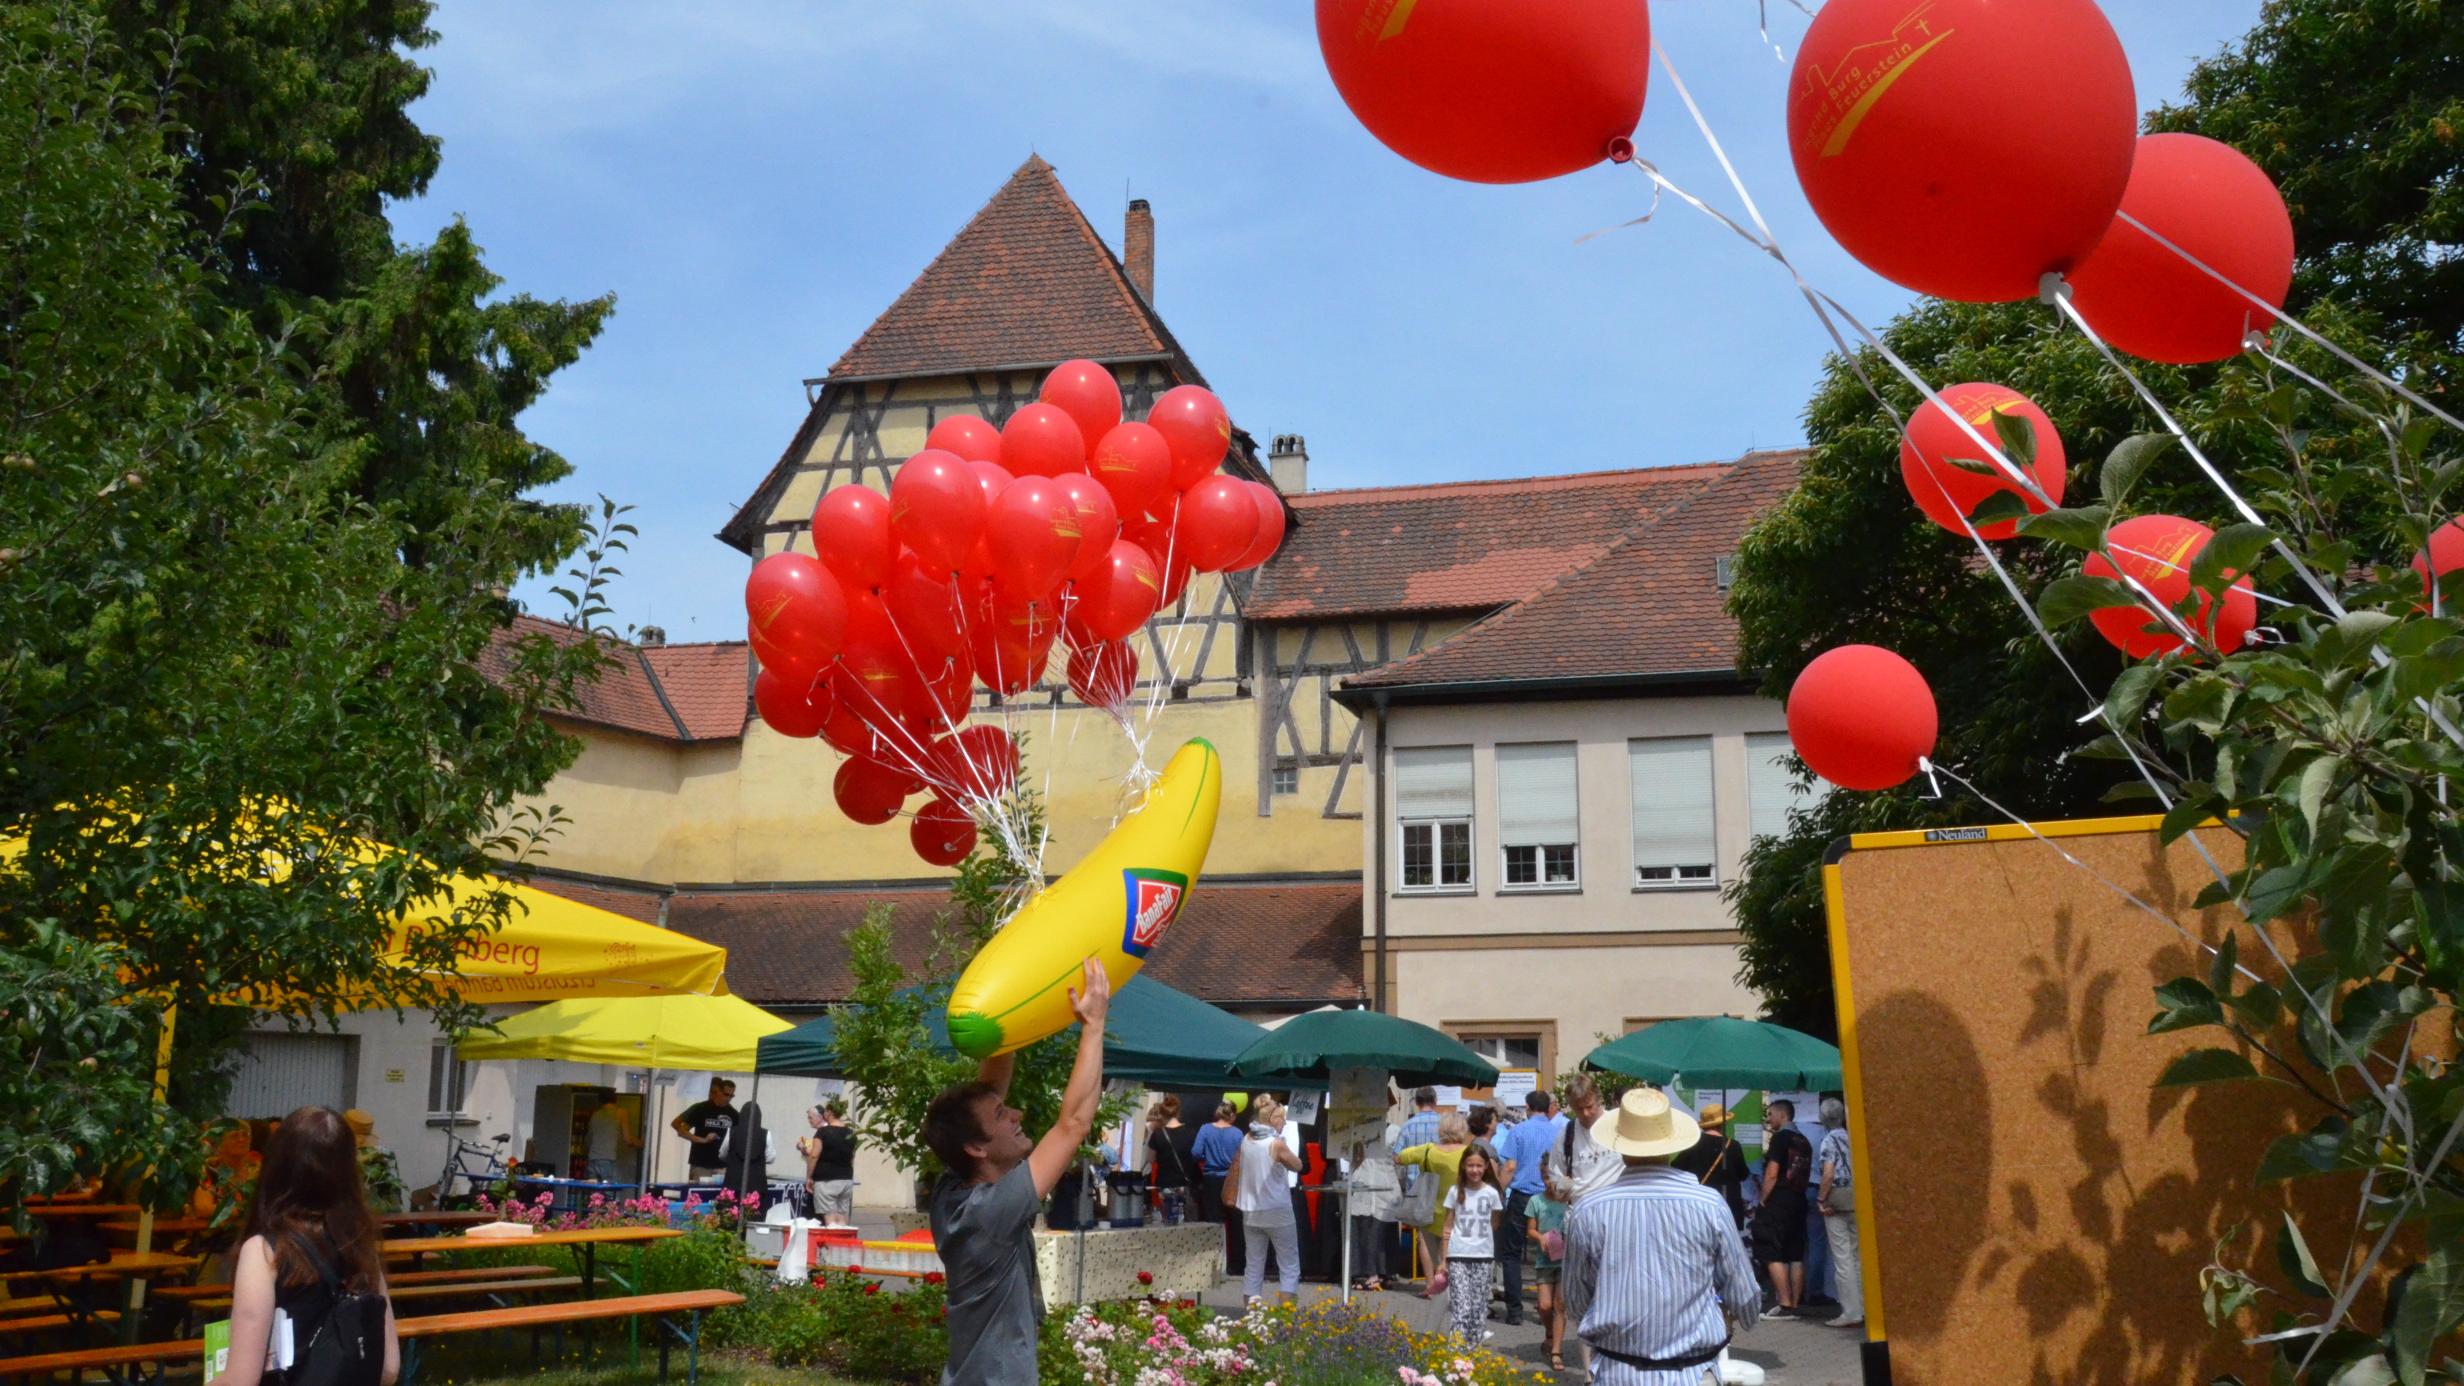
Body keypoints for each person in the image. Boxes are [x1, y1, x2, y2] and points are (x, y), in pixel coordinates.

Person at [921, 957, 1110, 1386]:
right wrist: (1093, 1025)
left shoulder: (953, 1189)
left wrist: (1007, 1001)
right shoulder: (992, 1211)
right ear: (977, 1147)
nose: (1017, 1113)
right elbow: (1074, 1124)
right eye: (1003, 1115)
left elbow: (990, 1087)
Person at [1562, 1088, 1760, 1386]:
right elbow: (1745, 1295)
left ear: (1620, 1146)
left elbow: (1576, 1301)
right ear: (1669, 1146)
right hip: (1694, 1372)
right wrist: (1735, 1314)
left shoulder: (1589, 1210)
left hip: (1619, 1371)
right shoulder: (1708, 1204)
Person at [207, 1107, 400, 1386]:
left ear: (277, 1165)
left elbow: (241, 1379)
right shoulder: (359, 1246)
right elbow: (388, 1369)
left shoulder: (264, 1251)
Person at [1224, 1096, 1305, 1306]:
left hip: (1251, 1210)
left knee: (1253, 1265)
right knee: (1288, 1265)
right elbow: (1298, 1166)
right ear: (1272, 1119)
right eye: (1282, 1120)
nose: (1285, 1123)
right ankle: (1284, 1319)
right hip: (1277, 1209)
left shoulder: (1246, 1139)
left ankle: (1252, 1320)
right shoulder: (1276, 1144)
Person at [1496, 1088, 1565, 1329]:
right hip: (1549, 1197)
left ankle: (1515, 1311)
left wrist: (1498, 1193)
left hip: (1522, 1196)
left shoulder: (1518, 1131)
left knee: (1512, 1253)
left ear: (1527, 1108)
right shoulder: (1559, 1132)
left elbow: (1510, 1166)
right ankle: (1553, 1307)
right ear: (1548, 1108)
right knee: (1552, 1251)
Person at [1395, 1112, 1474, 1299]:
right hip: (1460, 1212)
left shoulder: (1428, 1150)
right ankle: (1455, 1292)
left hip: (1430, 1211)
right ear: (1463, 1131)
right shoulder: (1468, 1153)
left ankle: (1431, 1284)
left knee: (1427, 1245)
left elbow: (1399, 1158)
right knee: (1455, 1258)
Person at [1752, 1097, 1814, 1318]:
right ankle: (1795, 1303)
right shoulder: (1803, 1140)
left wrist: (1762, 1200)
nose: (1768, 1119)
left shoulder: (1780, 1139)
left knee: (1772, 1250)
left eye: (1770, 1114)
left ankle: (1784, 1303)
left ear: (1782, 1115)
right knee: (1795, 1252)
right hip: (1799, 1199)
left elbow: (1772, 1172)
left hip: (1779, 1200)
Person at [1440, 1146, 1504, 1348]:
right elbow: (1447, 1227)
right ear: (1463, 1166)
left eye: (1478, 1165)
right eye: (1470, 1165)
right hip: (1458, 1254)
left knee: (1478, 1309)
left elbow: (1494, 1223)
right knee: (1462, 1308)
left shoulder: (1491, 1193)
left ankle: (1473, 1353)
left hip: (1483, 1256)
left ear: (1486, 1167)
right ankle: (1455, 1354)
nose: (1474, 1170)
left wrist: (1481, 1240)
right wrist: (1443, 1259)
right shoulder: (1455, 1191)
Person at [1815, 1096, 1863, 1330]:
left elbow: (1828, 1174)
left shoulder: (1829, 1140)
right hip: (1858, 1198)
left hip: (1837, 1200)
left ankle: (1850, 1312)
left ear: (1823, 1118)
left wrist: (1821, 1198)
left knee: (1842, 1258)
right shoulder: (1852, 1136)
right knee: (1857, 1256)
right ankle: (1863, 1307)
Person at [1672, 1102, 1750, 1229]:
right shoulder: (1733, 1146)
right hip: (1727, 1205)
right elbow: (1743, 1174)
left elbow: (1677, 1168)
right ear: (1723, 1123)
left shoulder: (1692, 1144)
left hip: (1699, 1204)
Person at [1393, 1087, 1441, 1283]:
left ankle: (1430, 1283)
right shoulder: (1444, 1124)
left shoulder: (1408, 1126)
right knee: (1444, 1233)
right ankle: (1442, 1279)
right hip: (1443, 1183)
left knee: (1424, 1236)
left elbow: (1396, 1157)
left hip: (1418, 1186)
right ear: (1435, 1100)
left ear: (1416, 1103)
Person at [1191, 1102, 1245, 1270]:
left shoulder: (1205, 1129)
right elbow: (1243, 1157)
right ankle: (1237, 1264)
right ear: (1233, 1116)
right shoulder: (1237, 1133)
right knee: (1236, 1223)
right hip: (1232, 1180)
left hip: (1211, 1179)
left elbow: (1196, 1152)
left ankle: (1214, 1264)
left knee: (1214, 1222)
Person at [1525, 1182, 1571, 1372]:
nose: (1550, 1182)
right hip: (1544, 1260)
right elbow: (1530, 1230)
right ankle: (1551, 1332)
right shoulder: (1536, 1201)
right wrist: (1540, 1237)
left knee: (1560, 1305)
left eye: (1553, 1178)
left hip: (1565, 1260)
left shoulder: (1570, 1201)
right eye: (1546, 1177)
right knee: (1544, 1306)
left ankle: (1556, 1351)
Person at [1144, 1095, 1200, 1225]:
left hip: (1165, 1184)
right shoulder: (1191, 1133)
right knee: (1188, 1224)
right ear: (1178, 1112)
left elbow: (1150, 1159)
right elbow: (1197, 1155)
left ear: (1163, 1113)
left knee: (1168, 1223)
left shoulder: (1157, 1134)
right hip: (1186, 1185)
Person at [671, 1078, 738, 1185]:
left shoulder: (734, 1114)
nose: (728, 1098)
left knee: (723, 1199)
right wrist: (701, 1140)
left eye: (732, 1096)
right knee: (699, 1196)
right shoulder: (700, 1108)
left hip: (722, 1165)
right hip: (701, 1163)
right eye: (726, 1094)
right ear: (717, 1092)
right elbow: (680, 1129)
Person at [800, 1102, 857, 1227]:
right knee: (841, 1218)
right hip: (846, 1179)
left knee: (830, 1219)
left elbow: (814, 1155)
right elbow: (852, 1157)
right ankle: (843, 1245)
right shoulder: (851, 1133)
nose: (823, 1113)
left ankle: (832, 1245)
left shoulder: (823, 1132)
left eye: (825, 1111)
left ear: (830, 1112)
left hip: (826, 1179)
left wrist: (809, 1177)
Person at [340, 1110, 405, 1215]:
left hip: (357, 1219)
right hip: (390, 1216)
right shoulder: (387, 1154)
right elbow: (395, 1192)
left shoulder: (345, 1156)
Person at [585, 1099, 638, 1184]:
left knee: (594, 1192)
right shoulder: (620, 1113)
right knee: (609, 1191)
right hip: (608, 1158)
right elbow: (628, 1139)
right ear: (616, 1099)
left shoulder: (595, 1115)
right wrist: (643, 1143)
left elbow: (588, 1139)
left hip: (592, 1159)